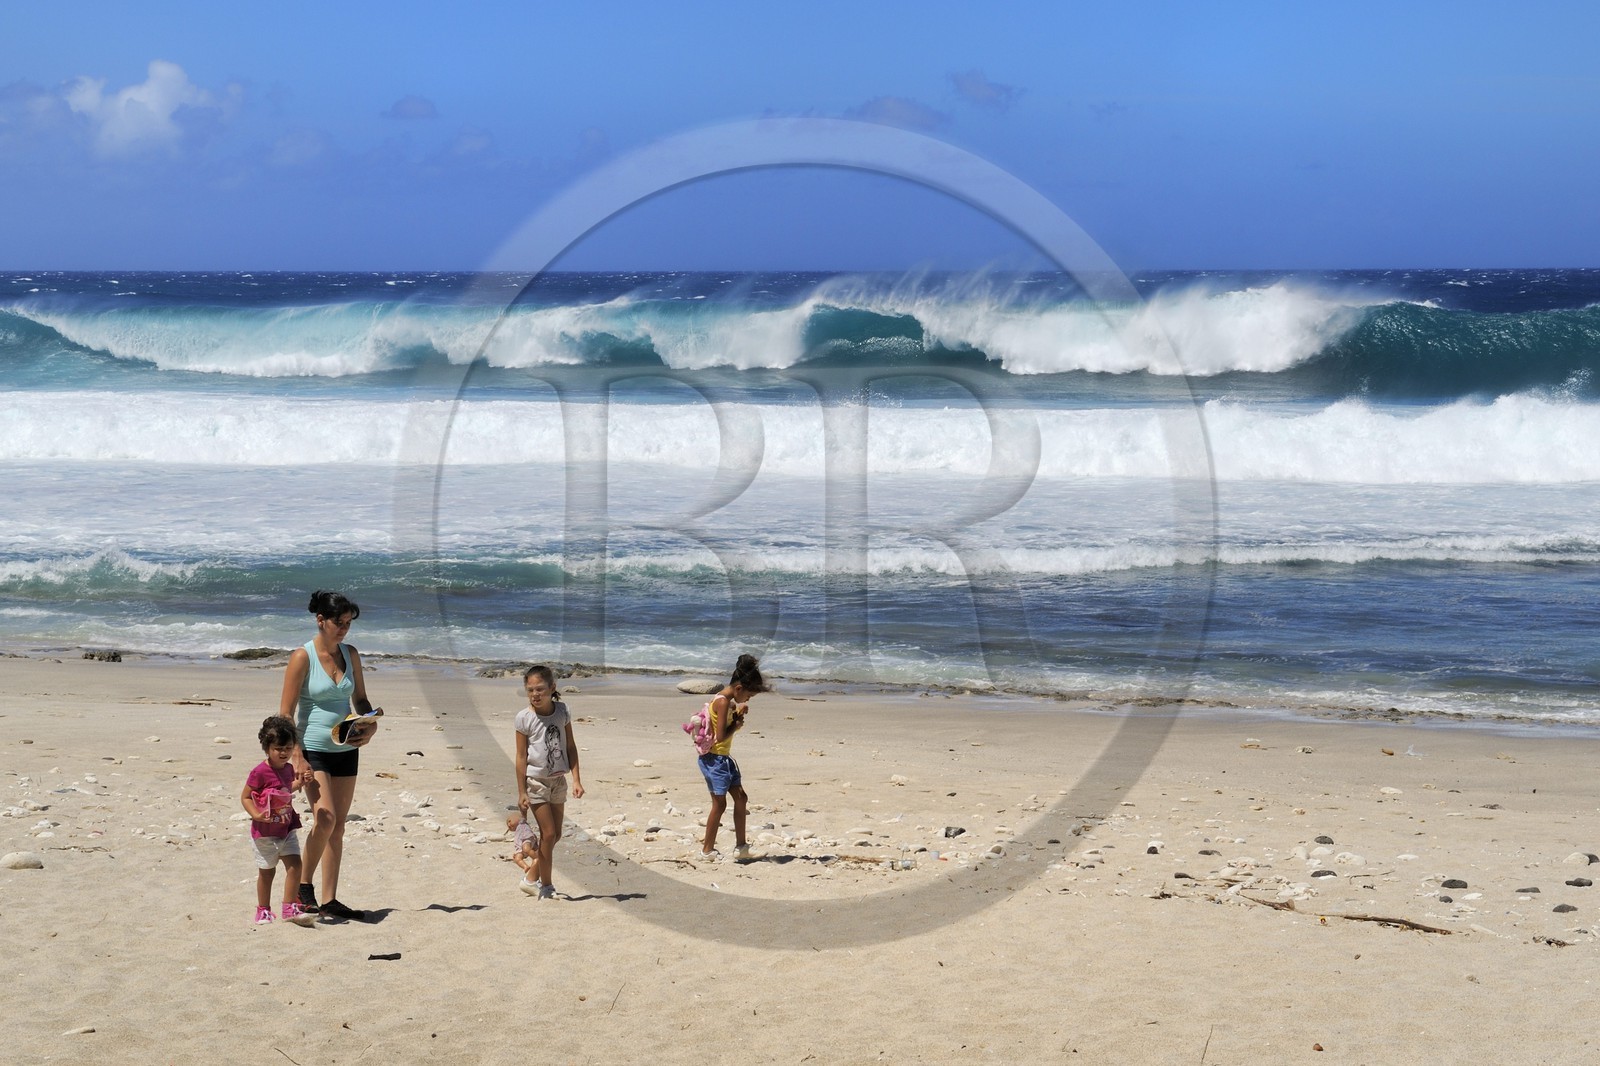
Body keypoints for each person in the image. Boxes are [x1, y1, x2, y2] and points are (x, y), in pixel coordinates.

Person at [278, 589, 381, 921]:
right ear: (320, 620)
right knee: (325, 818)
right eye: (339, 622)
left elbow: (361, 701)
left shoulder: (351, 655)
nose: (344, 629)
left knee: (338, 827)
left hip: (347, 748)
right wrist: (297, 756)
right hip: (313, 750)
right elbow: (285, 714)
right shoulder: (302, 658)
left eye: (349, 623)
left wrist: (370, 725)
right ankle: (301, 888)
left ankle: (330, 899)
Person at [513, 665, 584, 899]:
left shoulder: (562, 711)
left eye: (540, 689)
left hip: (558, 781)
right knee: (549, 833)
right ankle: (546, 886)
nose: (535, 694)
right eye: (530, 690)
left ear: (552, 688)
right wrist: (522, 791)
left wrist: (576, 779)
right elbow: (521, 756)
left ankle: (530, 878)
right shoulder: (524, 718)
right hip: (536, 782)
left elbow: (570, 746)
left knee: (556, 835)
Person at [240, 716, 317, 926]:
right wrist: (256, 814)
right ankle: (263, 909)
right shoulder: (259, 772)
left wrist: (301, 781)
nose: (284, 753)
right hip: (265, 832)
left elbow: (286, 788)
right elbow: (245, 796)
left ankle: (289, 906)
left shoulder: (288, 769)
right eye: (278, 748)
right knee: (267, 873)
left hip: (287, 827)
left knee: (295, 865)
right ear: (267, 748)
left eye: (289, 748)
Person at [697, 654, 767, 861]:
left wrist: (737, 716)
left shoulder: (727, 702)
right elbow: (720, 736)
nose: (747, 699)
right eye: (748, 696)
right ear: (739, 688)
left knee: (741, 798)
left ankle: (741, 848)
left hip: (724, 759)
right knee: (719, 804)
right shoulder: (723, 702)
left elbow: (724, 724)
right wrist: (736, 726)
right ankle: (707, 851)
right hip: (715, 760)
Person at [506, 812, 540, 887]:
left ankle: (536, 858)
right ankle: (525, 866)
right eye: (508, 827)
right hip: (520, 847)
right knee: (517, 859)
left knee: (526, 848)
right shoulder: (517, 832)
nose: (509, 825)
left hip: (527, 839)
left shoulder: (522, 823)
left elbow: (523, 814)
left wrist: (522, 813)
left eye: (509, 821)